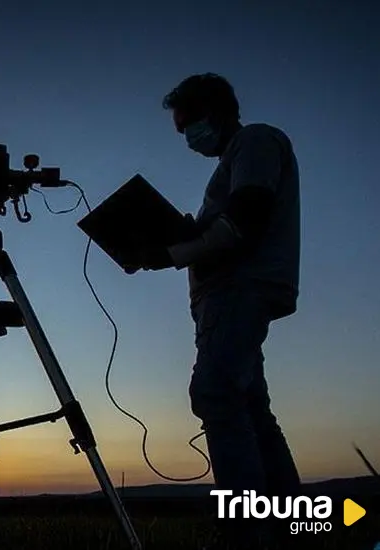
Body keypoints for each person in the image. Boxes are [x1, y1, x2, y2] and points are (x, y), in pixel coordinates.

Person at [131, 73, 303, 545]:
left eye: (190, 124)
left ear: (218, 111)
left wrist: (172, 253)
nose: (188, 137)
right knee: (251, 407)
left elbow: (246, 218)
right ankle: (291, 526)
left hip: (241, 291)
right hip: (224, 298)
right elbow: (223, 227)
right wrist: (179, 240)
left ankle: (244, 534)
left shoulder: (256, 141)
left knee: (215, 393)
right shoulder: (233, 158)